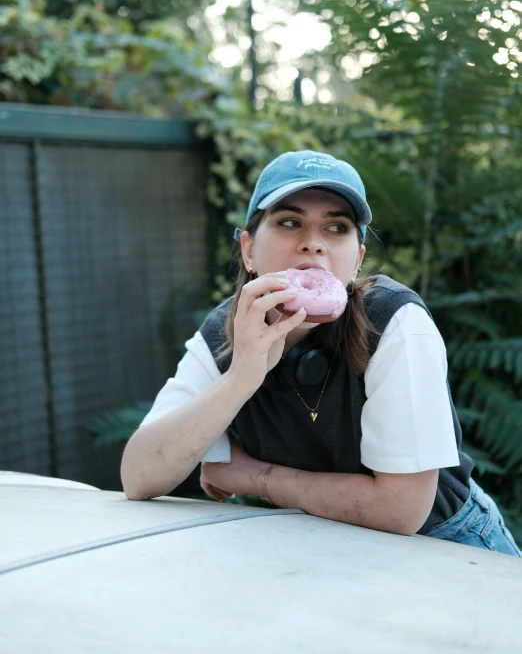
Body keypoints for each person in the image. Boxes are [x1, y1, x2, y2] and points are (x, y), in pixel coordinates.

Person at [121, 150, 521, 556]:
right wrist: (241, 376)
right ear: (248, 249)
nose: (313, 245)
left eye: (337, 228)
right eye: (290, 222)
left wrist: (254, 477)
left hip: (450, 547)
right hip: (315, 547)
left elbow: (402, 509)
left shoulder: (396, 323)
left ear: (357, 260)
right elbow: (138, 476)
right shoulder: (224, 332)